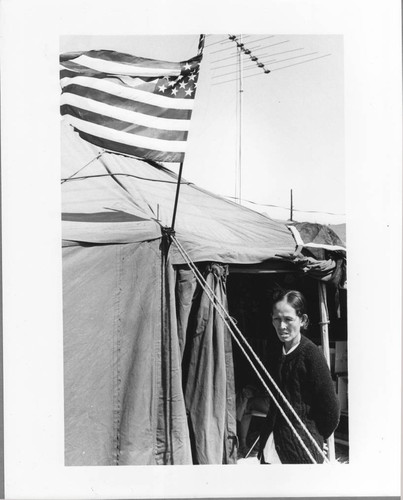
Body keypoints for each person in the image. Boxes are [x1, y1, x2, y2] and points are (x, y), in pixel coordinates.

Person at [258, 289, 340, 464]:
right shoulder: (274, 353)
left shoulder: (311, 355)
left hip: (301, 450)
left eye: (288, 319)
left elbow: (330, 409)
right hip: (272, 445)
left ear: (302, 320)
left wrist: (314, 436)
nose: (281, 326)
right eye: (276, 319)